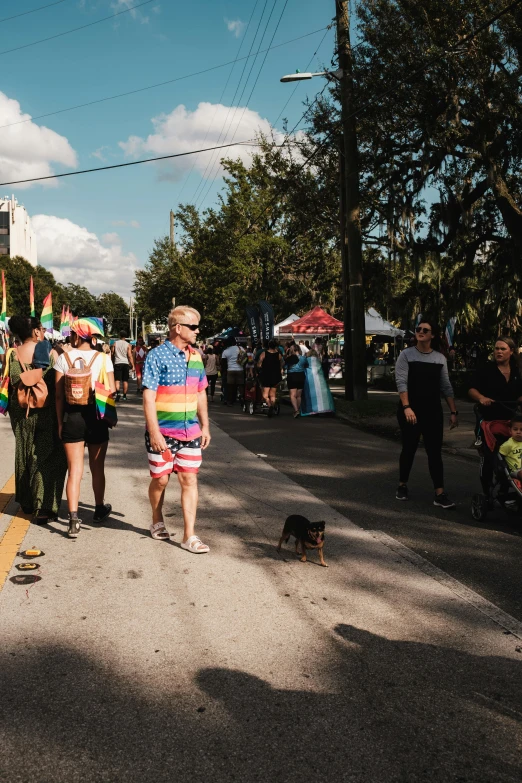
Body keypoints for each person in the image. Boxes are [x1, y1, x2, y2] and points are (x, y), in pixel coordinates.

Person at [142, 305, 211, 552]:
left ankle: (189, 535)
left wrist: (205, 426)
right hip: (163, 431)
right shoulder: (156, 356)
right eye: (193, 327)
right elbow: (148, 397)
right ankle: (156, 519)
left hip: (190, 431)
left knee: (189, 478)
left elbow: (200, 392)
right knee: (160, 480)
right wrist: (154, 432)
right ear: (177, 328)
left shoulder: (196, 356)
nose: (197, 330)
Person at [55, 318, 115, 538]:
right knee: (97, 467)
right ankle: (99, 509)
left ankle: (73, 519)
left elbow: (59, 395)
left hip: (72, 417)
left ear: (77, 335)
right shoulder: (103, 358)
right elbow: (112, 389)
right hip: (96, 416)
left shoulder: (64, 358)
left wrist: (60, 423)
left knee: (74, 470)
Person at [5, 315, 67, 524]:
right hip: (45, 409)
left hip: (20, 409)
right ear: (36, 331)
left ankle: (27, 501)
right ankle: (44, 506)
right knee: (47, 455)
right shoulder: (50, 352)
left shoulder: (11, 354)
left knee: (24, 452)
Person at [395, 318, 458, 509]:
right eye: (418, 329)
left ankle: (439, 493)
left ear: (432, 335)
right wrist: (407, 407)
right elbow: (401, 382)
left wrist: (453, 411)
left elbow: (445, 386)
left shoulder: (439, 358)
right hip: (410, 410)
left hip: (432, 411)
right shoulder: (406, 355)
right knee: (409, 448)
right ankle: (402, 485)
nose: (420, 331)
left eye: (425, 330)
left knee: (434, 452)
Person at [468, 336, 522, 422]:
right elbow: (471, 389)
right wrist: (481, 398)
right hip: (489, 419)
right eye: (497, 349)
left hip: (512, 421)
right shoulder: (485, 368)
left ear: (511, 351)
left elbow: (519, 394)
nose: (499, 351)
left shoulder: (517, 370)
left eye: (503, 349)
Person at [301, 348, 335, 417]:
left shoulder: (307, 361)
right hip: (320, 379)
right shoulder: (318, 361)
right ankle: (325, 408)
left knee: (310, 393)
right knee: (322, 393)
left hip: (310, 378)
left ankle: (312, 409)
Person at [257, 339, 283, 416]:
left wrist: (259, 366)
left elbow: (259, 364)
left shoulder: (264, 354)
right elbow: (281, 364)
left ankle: (269, 405)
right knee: (273, 394)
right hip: (275, 376)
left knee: (265, 395)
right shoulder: (279, 354)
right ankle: (272, 405)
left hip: (266, 375)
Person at [285, 344, 308, 417]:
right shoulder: (303, 358)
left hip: (292, 375)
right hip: (301, 375)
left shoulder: (290, 358)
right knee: (299, 395)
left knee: (292, 395)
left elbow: (285, 366)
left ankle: (296, 410)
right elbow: (307, 365)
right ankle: (297, 409)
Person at [112, 331, 134, 401]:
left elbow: (112, 353)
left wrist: (112, 362)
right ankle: (124, 396)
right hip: (125, 363)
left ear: (120, 336)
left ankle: (118, 393)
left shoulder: (115, 344)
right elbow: (130, 355)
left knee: (117, 380)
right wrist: (132, 365)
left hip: (117, 363)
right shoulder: (128, 345)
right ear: (125, 336)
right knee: (125, 380)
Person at [222, 337, 244, 406]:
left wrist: (224, 372)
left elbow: (223, 363)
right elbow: (245, 357)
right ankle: (243, 399)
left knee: (230, 386)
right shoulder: (241, 348)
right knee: (241, 386)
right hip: (240, 369)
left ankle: (230, 401)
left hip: (230, 370)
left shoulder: (226, 351)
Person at [499, 415, 522, 479]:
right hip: (516, 470)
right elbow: (500, 457)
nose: (518, 432)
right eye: (515, 429)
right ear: (510, 431)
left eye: (521, 430)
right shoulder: (508, 444)